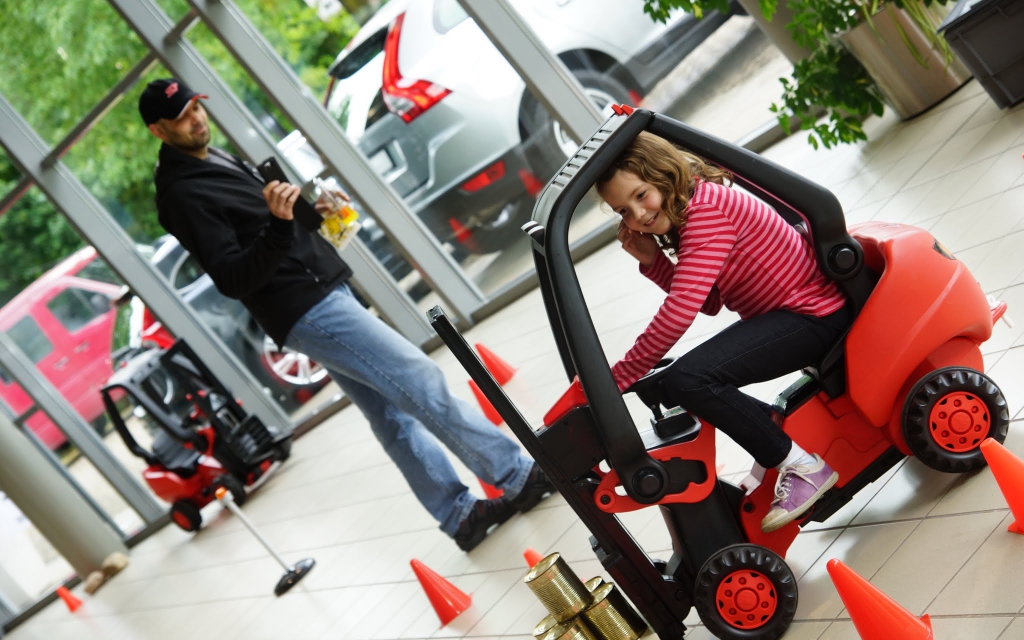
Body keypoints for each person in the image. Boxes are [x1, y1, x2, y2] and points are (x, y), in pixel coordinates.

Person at [138, 78, 553, 551]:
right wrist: (278, 226)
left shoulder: (210, 158)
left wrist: (310, 214)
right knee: (417, 377)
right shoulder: (181, 194)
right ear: (158, 130)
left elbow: (264, 223)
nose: (196, 119)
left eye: (197, 107)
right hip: (306, 306)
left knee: (388, 412)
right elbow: (234, 277)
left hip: (318, 289)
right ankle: (514, 474)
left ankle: (458, 516)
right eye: (183, 117)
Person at [596, 132, 852, 533]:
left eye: (641, 195)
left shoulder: (708, 209)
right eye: (623, 211)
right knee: (683, 378)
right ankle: (766, 425)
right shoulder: (697, 205)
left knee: (689, 378)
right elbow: (712, 300)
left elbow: (681, 310)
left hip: (812, 314)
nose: (638, 215)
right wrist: (655, 260)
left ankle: (802, 467)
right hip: (796, 312)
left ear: (664, 174)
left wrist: (617, 378)